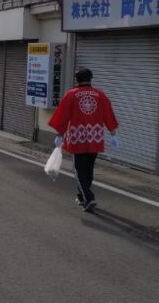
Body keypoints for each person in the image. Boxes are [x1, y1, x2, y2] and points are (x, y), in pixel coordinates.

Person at [48, 68, 119, 212]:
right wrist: (113, 135)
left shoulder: (71, 95)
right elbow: (108, 115)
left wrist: (60, 135)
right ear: (91, 78)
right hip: (95, 137)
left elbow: (63, 116)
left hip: (77, 138)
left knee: (79, 170)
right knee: (88, 169)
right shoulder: (100, 95)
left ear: (76, 79)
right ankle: (82, 196)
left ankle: (88, 198)